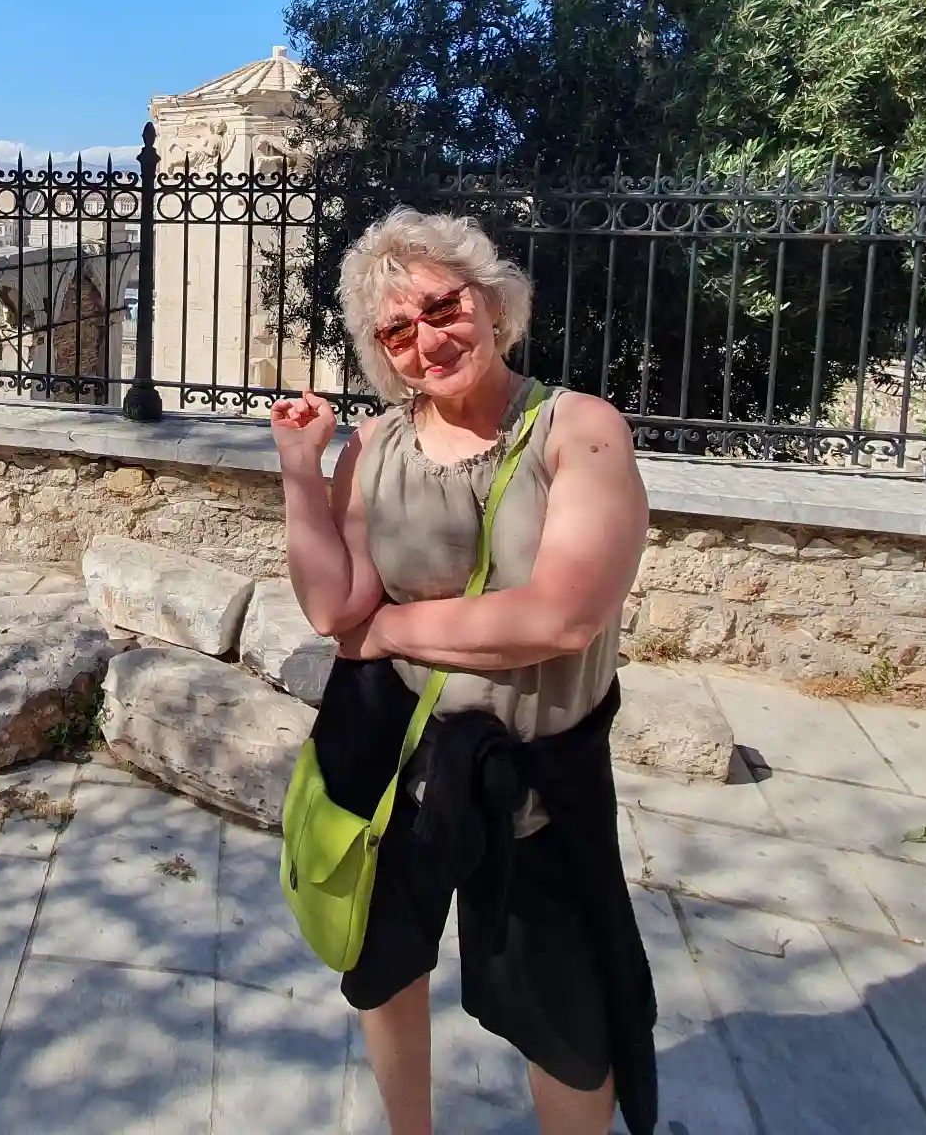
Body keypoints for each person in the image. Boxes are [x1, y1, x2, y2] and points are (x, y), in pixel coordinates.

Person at [270, 208, 656, 1135]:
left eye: (443, 308)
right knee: (383, 967)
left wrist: (391, 630)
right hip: (395, 755)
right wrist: (299, 471)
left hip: (538, 779)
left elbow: (561, 616)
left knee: (569, 1026)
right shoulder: (375, 445)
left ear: (492, 301)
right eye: (397, 330)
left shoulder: (578, 431)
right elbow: (332, 608)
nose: (428, 340)